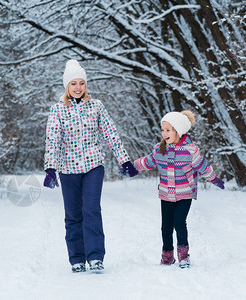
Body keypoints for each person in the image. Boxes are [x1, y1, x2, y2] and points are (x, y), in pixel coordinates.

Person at [43, 59, 138, 273]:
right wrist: (50, 168)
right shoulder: (57, 110)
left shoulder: (96, 106)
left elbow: (110, 133)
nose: (78, 88)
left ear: (86, 85)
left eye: (82, 83)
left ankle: (95, 257)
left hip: (94, 166)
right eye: (73, 84)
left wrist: (124, 159)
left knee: (92, 209)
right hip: (67, 169)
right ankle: (77, 258)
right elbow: (52, 140)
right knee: (73, 214)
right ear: (67, 86)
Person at [133, 110, 225, 268]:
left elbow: (203, 166)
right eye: (163, 129)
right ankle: (167, 256)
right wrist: (131, 167)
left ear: (178, 131)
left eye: (168, 130)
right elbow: (147, 162)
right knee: (166, 227)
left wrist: (213, 178)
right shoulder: (159, 150)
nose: (164, 133)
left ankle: (183, 256)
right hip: (165, 195)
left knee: (179, 223)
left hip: (185, 194)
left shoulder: (190, 151)